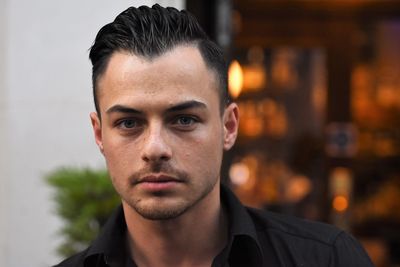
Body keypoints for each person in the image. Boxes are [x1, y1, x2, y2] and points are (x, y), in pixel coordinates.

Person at [54, 4, 374, 267]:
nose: (155, 148)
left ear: (228, 127)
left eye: (183, 119)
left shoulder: (327, 259)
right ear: (99, 134)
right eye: (128, 123)